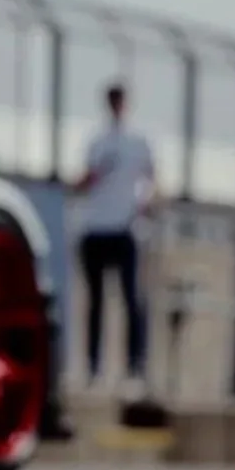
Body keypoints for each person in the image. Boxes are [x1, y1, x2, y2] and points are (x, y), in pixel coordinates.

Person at [71, 81, 155, 395]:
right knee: (95, 302)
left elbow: (152, 178)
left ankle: (135, 367)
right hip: (96, 228)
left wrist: (146, 203)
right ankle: (94, 367)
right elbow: (86, 178)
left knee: (132, 299)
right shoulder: (97, 141)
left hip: (125, 228)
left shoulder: (139, 140)